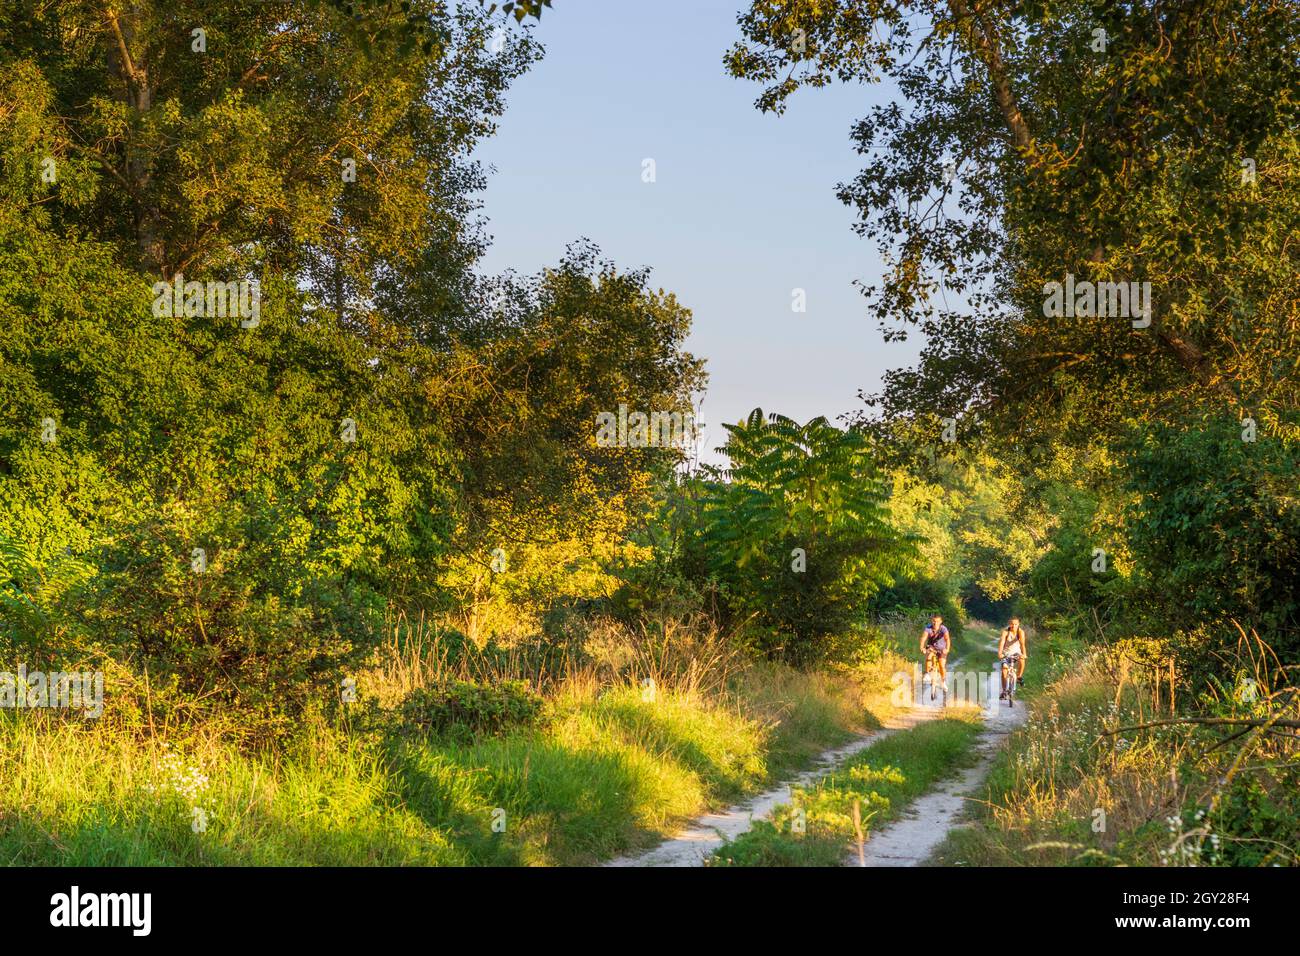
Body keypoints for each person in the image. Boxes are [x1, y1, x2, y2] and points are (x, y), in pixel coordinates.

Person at [998, 617, 1027, 698]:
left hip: (1016, 653)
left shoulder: (1020, 632)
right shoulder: (1006, 632)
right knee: (1004, 670)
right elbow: (1002, 642)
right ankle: (1004, 691)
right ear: (1009, 624)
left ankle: (1019, 677)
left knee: (1022, 660)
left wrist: (1024, 654)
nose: (1014, 626)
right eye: (1012, 624)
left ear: (1018, 624)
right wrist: (1000, 653)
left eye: (1015, 624)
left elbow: (1022, 644)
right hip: (1006, 653)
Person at [920, 613, 951, 687]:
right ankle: (927, 674)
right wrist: (922, 647)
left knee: (941, 665)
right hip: (931, 647)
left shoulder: (943, 628)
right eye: (934, 621)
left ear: (941, 621)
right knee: (929, 656)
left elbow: (947, 639)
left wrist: (947, 649)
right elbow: (923, 638)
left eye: (937, 621)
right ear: (931, 621)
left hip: (942, 648)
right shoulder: (928, 628)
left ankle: (943, 682)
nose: (935, 623)